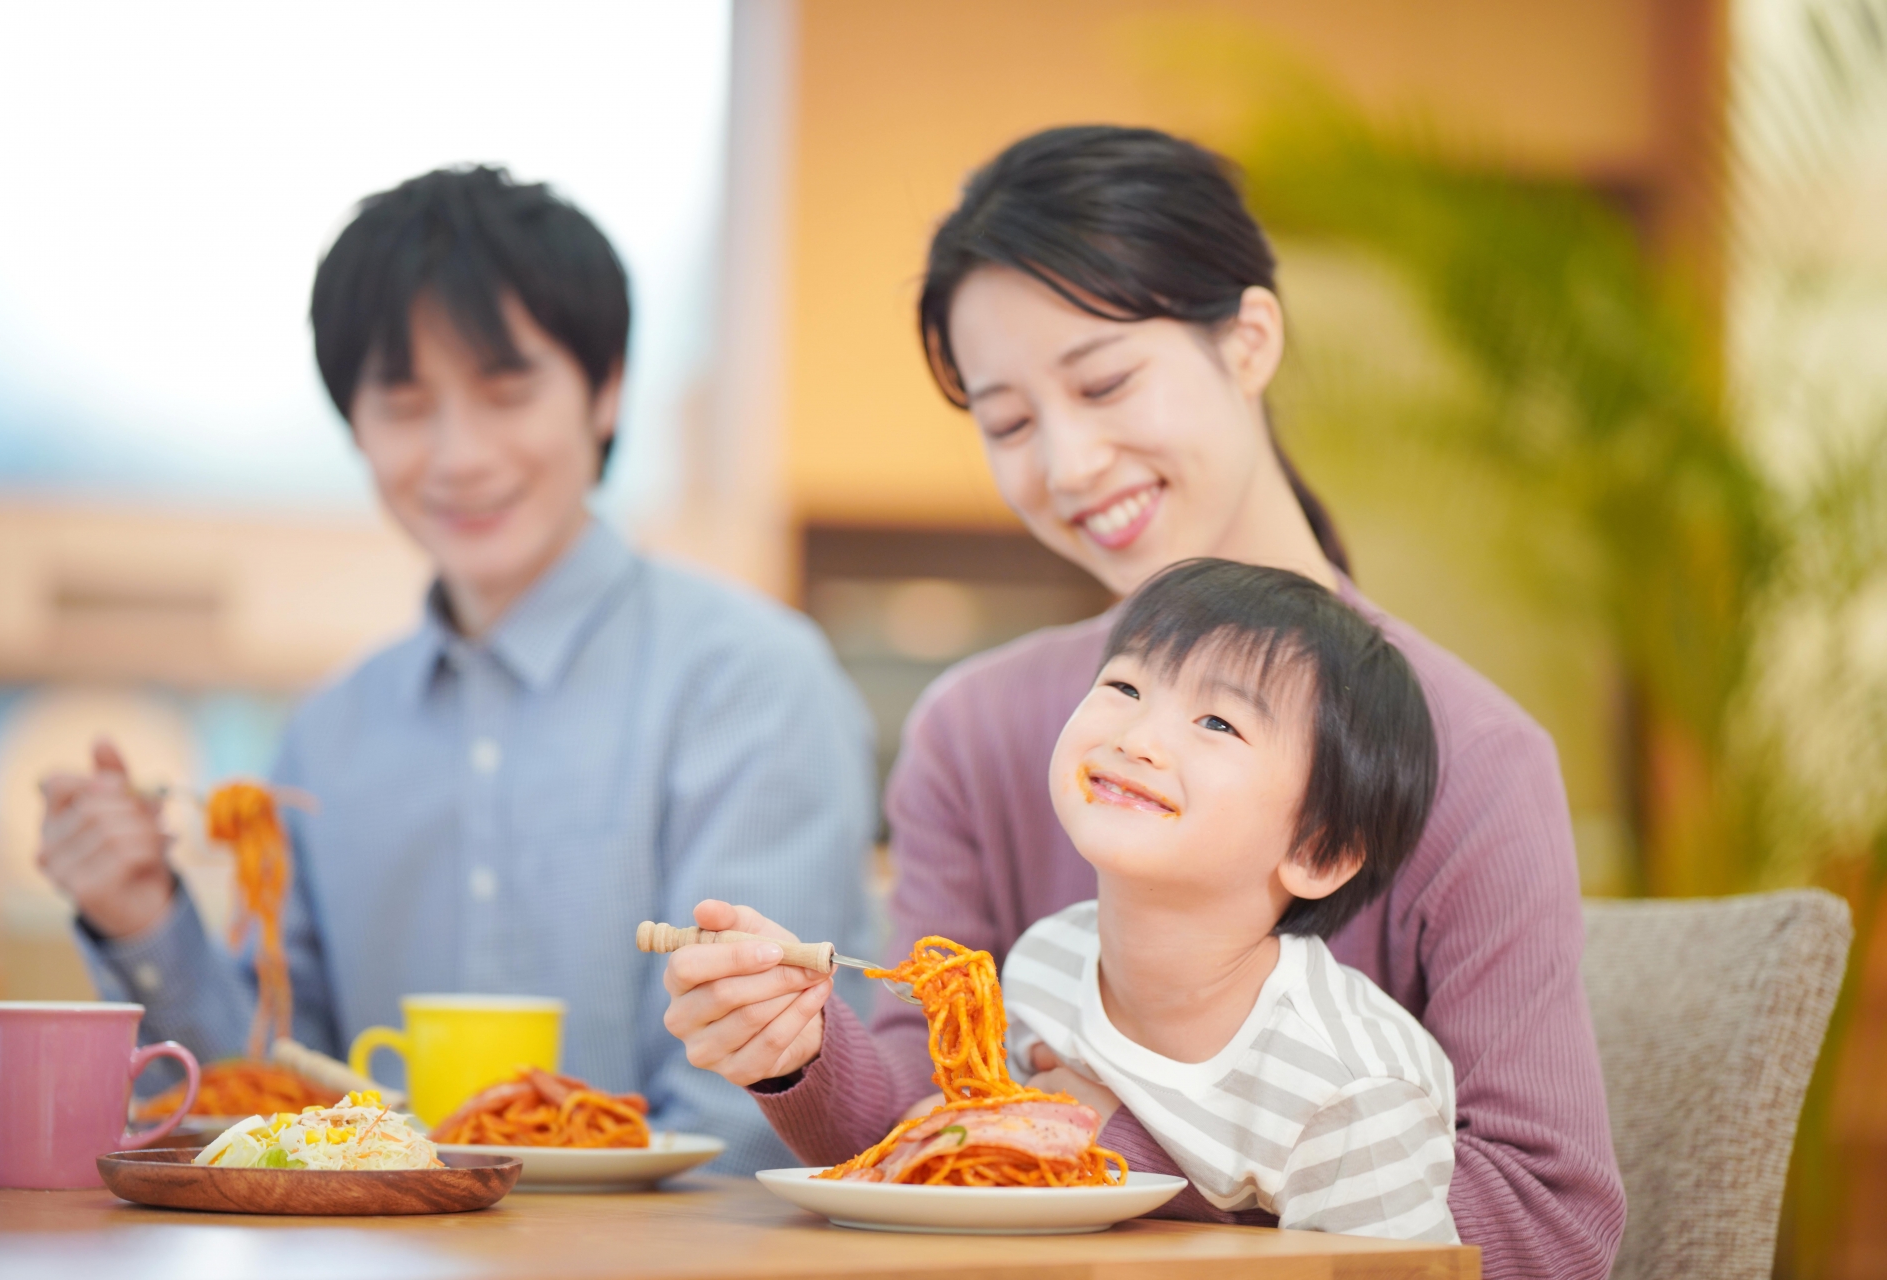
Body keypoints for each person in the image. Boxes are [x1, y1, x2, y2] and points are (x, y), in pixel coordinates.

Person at [657, 127, 1626, 1275]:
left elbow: (1551, 1219)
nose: (1066, 464)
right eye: (1010, 423)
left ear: (1248, 340)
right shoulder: (974, 735)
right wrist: (797, 1051)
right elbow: (923, 1129)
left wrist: (1104, 1159)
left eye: (1106, 380)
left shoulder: (1475, 754)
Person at [36, 166, 875, 1173]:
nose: (457, 454)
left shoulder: (752, 681)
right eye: (403, 401)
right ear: (355, 424)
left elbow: (744, 1114)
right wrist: (142, 914)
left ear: (606, 390)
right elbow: (264, 1091)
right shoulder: (329, 731)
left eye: (505, 389)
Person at [1001, 560, 1452, 1239]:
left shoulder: (1352, 1089)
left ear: (1317, 851)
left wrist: (1106, 1143)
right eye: (1124, 685)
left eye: (1216, 723)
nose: (1137, 739)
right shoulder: (1044, 964)